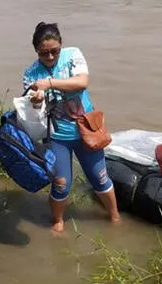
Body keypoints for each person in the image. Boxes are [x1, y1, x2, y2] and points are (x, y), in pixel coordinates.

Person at [23, 22, 120, 234]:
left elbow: (82, 82)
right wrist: (37, 100)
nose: (50, 57)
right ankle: (57, 221)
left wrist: (48, 84)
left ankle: (114, 216)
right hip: (56, 136)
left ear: (61, 46)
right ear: (36, 51)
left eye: (54, 51)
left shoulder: (73, 55)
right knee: (61, 184)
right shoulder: (30, 74)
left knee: (100, 178)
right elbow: (33, 110)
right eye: (43, 53)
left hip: (87, 130)